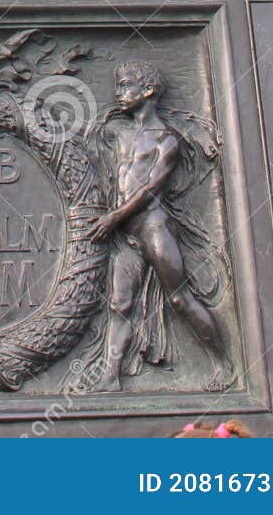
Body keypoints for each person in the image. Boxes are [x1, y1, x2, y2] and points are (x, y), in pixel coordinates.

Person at [88, 61, 231, 390]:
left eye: (126, 86)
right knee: (119, 303)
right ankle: (110, 377)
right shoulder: (121, 132)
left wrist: (114, 217)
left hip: (153, 228)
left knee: (180, 299)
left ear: (148, 90)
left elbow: (150, 190)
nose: (119, 93)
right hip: (126, 234)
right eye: (119, 86)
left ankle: (225, 364)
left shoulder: (166, 141)